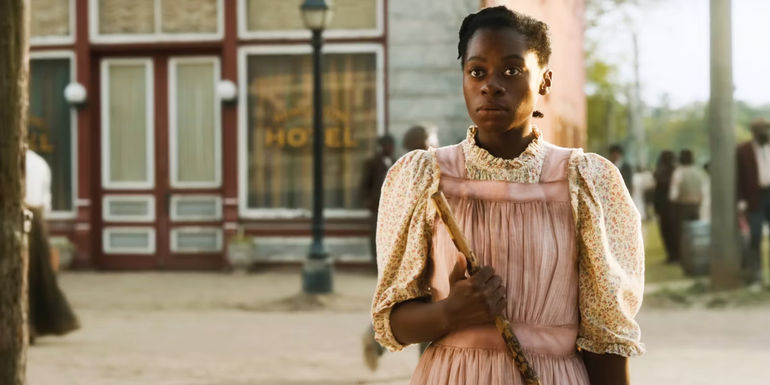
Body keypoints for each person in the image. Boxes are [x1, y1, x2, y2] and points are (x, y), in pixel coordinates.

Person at [371, 7, 644, 385]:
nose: (491, 85)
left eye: (512, 71)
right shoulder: (425, 178)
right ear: (463, 79)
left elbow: (607, 343)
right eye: (477, 72)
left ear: (545, 81)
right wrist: (450, 312)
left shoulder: (586, 183)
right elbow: (392, 323)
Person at [25, 149, 80, 343]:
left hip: (21, 217)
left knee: (28, 276)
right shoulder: (39, 163)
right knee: (38, 276)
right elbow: (46, 201)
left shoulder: (28, 163)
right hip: (37, 220)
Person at [737, 118, 770, 285]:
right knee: (755, 236)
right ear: (754, 132)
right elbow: (739, 177)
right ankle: (756, 276)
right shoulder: (743, 150)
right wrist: (741, 200)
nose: (765, 133)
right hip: (755, 197)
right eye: (761, 130)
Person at [360, 135, 396, 265]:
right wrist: (368, 200)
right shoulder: (372, 163)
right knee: (376, 235)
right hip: (377, 205)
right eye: (387, 145)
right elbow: (365, 184)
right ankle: (376, 263)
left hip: (394, 206)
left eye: (391, 145)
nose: (390, 148)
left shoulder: (396, 161)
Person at [654, 151, 678, 263]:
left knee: (666, 233)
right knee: (674, 232)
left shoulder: (659, 173)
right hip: (674, 207)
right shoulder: (676, 171)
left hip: (663, 208)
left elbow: (657, 193)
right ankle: (675, 255)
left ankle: (671, 255)